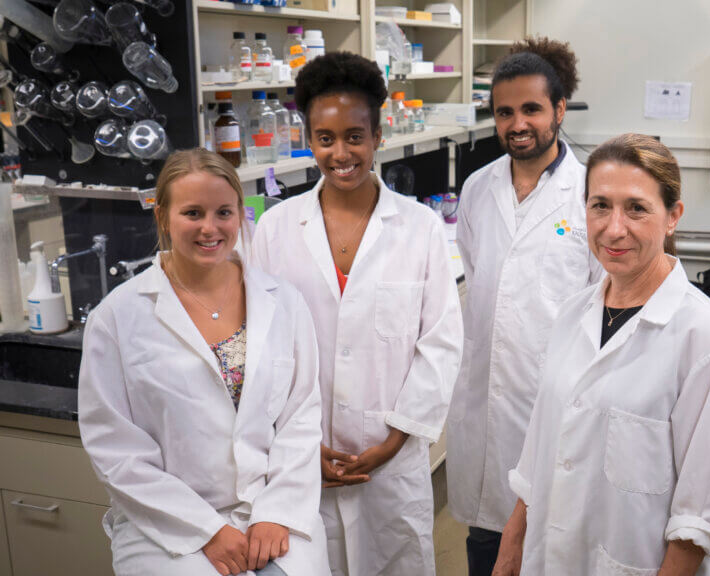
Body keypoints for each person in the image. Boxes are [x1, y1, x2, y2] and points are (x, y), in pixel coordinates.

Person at [493, 134, 710, 576]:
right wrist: (512, 541)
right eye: (600, 206)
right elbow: (541, 444)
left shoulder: (705, 336)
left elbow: (703, 508)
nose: (614, 228)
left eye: (636, 208)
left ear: (672, 217)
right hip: (549, 553)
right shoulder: (573, 315)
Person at [250, 51, 463, 576]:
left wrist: (395, 439)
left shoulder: (419, 228)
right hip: (303, 459)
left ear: (377, 135)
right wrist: (297, 444)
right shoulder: (276, 229)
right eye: (325, 138)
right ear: (309, 138)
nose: (340, 152)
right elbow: (263, 343)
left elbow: (440, 341)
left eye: (354, 136)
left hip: (391, 461)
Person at [78, 148, 329, 576]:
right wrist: (206, 529)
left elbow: (300, 417)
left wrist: (277, 511)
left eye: (223, 212)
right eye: (192, 213)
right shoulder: (117, 317)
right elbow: (116, 449)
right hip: (168, 523)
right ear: (163, 216)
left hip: (269, 505)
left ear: (240, 216)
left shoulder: (282, 301)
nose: (210, 228)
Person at [445, 36, 603, 576]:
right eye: (504, 112)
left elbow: (608, 306)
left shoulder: (591, 195)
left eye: (532, 109)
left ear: (559, 110)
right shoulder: (475, 190)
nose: (518, 123)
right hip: (484, 409)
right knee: (487, 546)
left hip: (557, 407)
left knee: (552, 548)